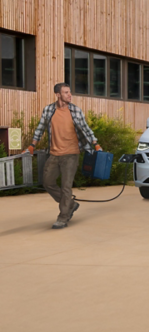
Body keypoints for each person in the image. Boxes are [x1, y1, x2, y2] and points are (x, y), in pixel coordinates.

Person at [27, 83, 102, 229]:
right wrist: (32, 145)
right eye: (66, 92)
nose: (69, 95)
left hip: (71, 154)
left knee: (66, 186)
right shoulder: (49, 110)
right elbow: (40, 128)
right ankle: (71, 205)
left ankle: (63, 217)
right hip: (54, 153)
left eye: (70, 92)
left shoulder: (75, 111)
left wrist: (96, 143)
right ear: (58, 94)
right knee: (47, 182)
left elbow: (86, 128)